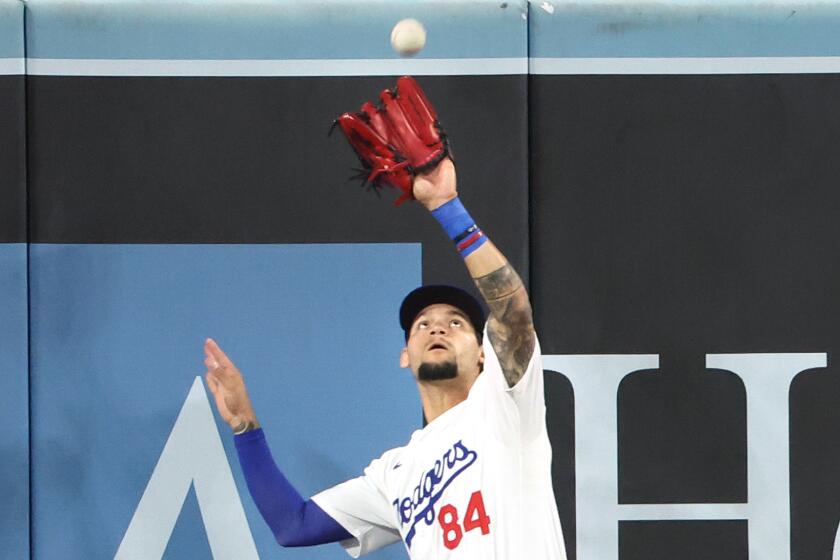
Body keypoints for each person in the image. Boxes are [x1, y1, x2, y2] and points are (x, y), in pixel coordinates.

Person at [204, 157, 566, 558]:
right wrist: (245, 427)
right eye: (422, 325)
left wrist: (447, 207)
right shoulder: (394, 473)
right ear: (404, 356)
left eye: (457, 323)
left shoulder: (505, 405)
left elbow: (512, 309)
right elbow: (294, 524)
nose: (437, 328)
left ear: (484, 353)